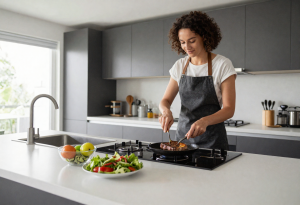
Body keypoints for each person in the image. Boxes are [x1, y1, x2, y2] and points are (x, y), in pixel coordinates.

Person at [159, 11, 236, 150]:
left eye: (192, 41)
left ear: (204, 37)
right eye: (182, 42)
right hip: (182, 141)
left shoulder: (222, 64)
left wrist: (205, 121)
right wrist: (165, 112)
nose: (187, 47)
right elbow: (165, 101)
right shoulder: (180, 66)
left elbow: (229, 109)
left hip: (213, 142)